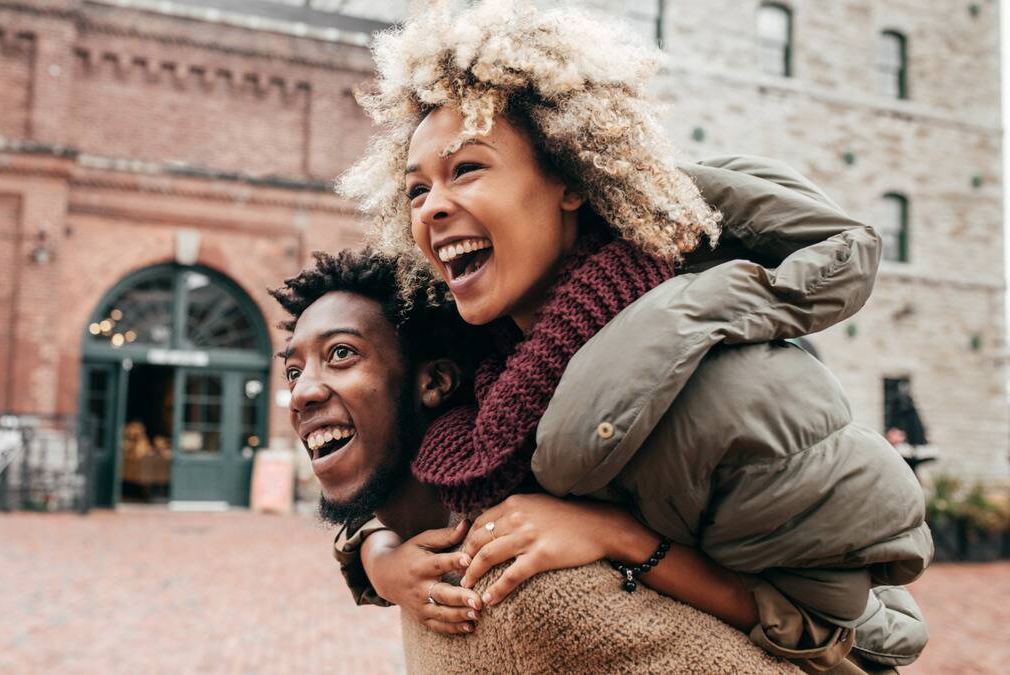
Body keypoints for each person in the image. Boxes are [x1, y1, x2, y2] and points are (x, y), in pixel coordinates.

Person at [334, 1, 931, 671]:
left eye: (466, 168)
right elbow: (398, 482)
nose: (433, 205)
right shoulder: (484, 372)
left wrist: (620, 538)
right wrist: (378, 560)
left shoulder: (724, 385)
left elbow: (849, 639)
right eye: (415, 190)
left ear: (569, 178)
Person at [272, 249, 798, 673]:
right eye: (293, 371)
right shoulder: (419, 565)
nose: (300, 395)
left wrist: (620, 537)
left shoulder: (526, 591)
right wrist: (379, 560)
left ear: (433, 382)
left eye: (341, 353)